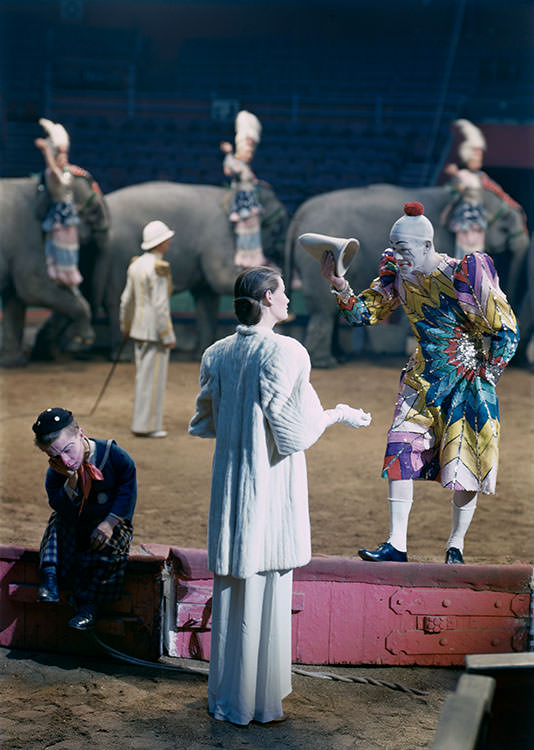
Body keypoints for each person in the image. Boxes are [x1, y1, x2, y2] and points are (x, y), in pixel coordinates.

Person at [189, 266, 371, 726]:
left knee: (237, 583)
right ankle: (258, 701)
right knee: (266, 579)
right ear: (268, 298)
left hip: (232, 481)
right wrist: (338, 413)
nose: (290, 300)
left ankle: (229, 697)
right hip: (268, 482)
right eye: (284, 293)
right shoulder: (287, 351)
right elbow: (295, 429)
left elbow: (205, 419)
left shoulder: (217, 352)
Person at [319, 201, 519, 564]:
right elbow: (364, 314)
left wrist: (487, 376)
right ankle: (396, 544)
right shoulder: (398, 274)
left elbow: (507, 330)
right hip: (421, 379)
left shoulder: (465, 273)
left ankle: (455, 545)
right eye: (395, 247)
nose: (399, 255)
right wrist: (340, 286)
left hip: (467, 380)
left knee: (465, 466)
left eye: (405, 248)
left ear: (427, 245)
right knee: (399, 450)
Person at [33, 407, 136, 630]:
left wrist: (110, 522)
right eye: (54, 456)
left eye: (68, 450)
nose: (65, 460)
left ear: (81, 434)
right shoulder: (57, 472)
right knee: (56, 522)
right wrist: (70, 483)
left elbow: (127, 490)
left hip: (109, 524)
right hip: (77, 524)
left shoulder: (114, 456)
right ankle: (49, 580)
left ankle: (90, 606)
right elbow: (60, 506)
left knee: (113, 548)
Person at [34, 117, 95, 347]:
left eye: (64, 157)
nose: (63, 160)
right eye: (61, 157)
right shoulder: (55, 176)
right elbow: (52, 172)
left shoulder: (66, 176)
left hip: (67, 225)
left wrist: (48, 151)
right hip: (59, 223)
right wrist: (50, 151)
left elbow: (56, 171)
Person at [120, 220, 176, 438]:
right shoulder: (159, 268)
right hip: (154, 332)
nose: (169, 243)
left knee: (142, 378)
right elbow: (161, 306)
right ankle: (148, 426)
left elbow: (126, 300)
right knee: (153, 381)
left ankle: (140, 422)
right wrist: (167, 335)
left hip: (138, 329)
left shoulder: (135, 265)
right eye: (166, 240)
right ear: (160, 243)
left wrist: (125, 325)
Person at [220, 110, 267, 268]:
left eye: (251, 152)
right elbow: (229, 170)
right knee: (245, 231)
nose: (250, 154)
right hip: (243, 203)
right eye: (247, 151)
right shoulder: (237, 164)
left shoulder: (246, 167)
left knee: (254, 230)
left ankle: (254, 261)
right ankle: (244, 262)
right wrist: (229, 153)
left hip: (251, 202)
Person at [442, 119, 489, 259]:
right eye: (475, 159)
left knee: (479, 246)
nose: (478, 161)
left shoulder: (481, 176)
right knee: (464, 246)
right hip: (465, 214)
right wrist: (456, 178)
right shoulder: (462, 175)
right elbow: (457, 191)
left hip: (478, 214)